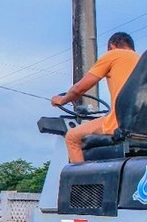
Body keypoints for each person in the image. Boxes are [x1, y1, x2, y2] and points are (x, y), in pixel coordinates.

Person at [51, 32, 140, 164]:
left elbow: (78, 89)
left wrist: (62, 100)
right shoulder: (144, 61)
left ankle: (80, 177)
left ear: (111, 46)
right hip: (145, 126)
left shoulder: (114, 54)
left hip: (121, 123)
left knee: (71, 137)